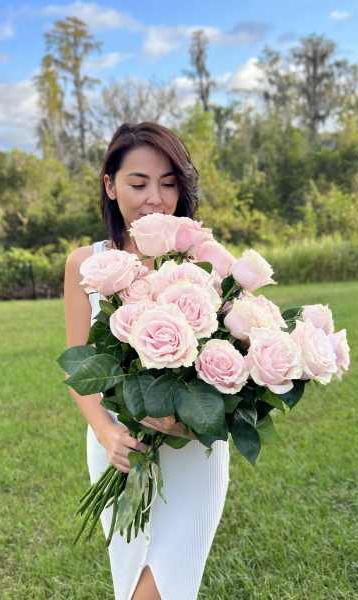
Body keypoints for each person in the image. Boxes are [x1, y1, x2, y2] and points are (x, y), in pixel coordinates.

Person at [64, 122, 229, 600]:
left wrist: (188, 420)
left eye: (168, 183)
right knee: (131, 581)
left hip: (191, 449)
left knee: (165, 587)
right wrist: (106, 432)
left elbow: (230, 360)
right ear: (110, 185)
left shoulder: (204, 259)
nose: (155, 198)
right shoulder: (85, 264)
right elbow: (79, 368)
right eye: (138, 184)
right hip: (119, 448)